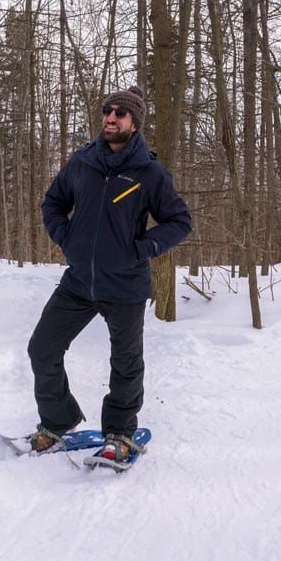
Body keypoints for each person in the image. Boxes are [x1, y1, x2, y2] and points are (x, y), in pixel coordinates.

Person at [26, 84, 192, 462]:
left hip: (126, 284)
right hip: (79, 281)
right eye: (107, 110)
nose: (111, 117)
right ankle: (57, 420)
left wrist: (140, 249)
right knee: (42, 348)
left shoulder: (149, 173)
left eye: (120, 113)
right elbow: (53, 202)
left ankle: (119, 433)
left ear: (134, 123)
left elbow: (179, 221)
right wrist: (66, 238)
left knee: (126, 362)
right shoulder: (82, 163)